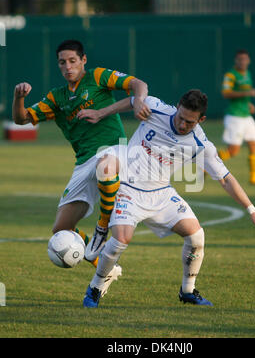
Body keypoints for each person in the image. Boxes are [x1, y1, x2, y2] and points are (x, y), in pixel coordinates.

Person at [80, 89, 255, 308]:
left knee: (196, 236)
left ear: (201, 119)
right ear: (176, 107)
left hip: (162, 193)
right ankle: (95, 288)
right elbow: (132, 99)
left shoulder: (200, 144)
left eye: (190, 122)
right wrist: (102, 113)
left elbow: (226, 179)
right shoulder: (156, 108)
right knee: (120, 240)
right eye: (180, 117)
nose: (182, 125)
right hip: (128, 188)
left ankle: (188, 291)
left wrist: (252, 210)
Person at [12, 39, 151, 295]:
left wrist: (136, 101)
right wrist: (18, 97)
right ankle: (103, 264)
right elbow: (21, 119)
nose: (67, 67)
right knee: (60, 229)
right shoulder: (57, 98)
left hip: (114, 149)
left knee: (105, 165)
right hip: (83, 162)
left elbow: (137, 85)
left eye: (72, 61)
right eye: (62, 63)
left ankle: (102, 227)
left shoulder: (97, 77)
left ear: (83, 60)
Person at [218, 49, 255, 185]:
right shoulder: (231, 75)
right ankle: (207, 167)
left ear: (248, 61)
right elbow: (226, 93)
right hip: (234, 116)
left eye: (245, 59)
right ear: (235, 61)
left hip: (246, 116)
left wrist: (248, 104)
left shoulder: (247, 73)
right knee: (233, 151)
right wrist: (246, 93)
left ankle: (254, 179)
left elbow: (243, 95)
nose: (242, 62)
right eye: (239, 59)